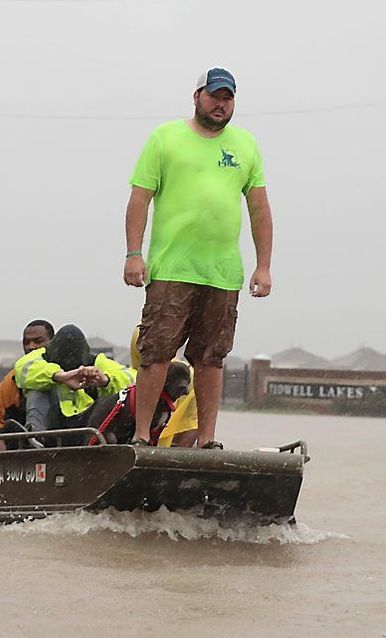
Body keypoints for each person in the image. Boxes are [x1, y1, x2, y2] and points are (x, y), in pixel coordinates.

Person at [122, 67, 273, 449]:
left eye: (228, 99)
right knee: (156, 352)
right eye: (215, 96)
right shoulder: (165, 138)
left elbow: (259, 209)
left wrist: (263, 265)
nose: (221, 105)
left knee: (211, 357)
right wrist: (134, 254)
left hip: (222, 273)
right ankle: (142, 436)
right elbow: (139, 199)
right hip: (172, 268)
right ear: (197, 96)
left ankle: (207, 440)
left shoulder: (246, 145)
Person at [14, 324, 136, 443]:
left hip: (86, 425)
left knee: (121, 397)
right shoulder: (40, 357)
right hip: (50, 426)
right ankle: (37, 439)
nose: (31, 346)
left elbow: (133, 378)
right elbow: (22, 368)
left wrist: (105, 380)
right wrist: (59, 376)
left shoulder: (95, 362)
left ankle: (98, 440)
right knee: (36, 391)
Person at [0, 320, 55, 451]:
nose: (31, 347)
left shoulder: (67, 375)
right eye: (26, 343)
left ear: (53, 342)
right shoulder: (10, 381)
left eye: (38, 341)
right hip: (23, 449)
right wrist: (8, 457)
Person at [130, 325, 198, 447]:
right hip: (167, 446)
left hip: (143, 444)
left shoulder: (132, 378)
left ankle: (141, 437)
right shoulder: (188, 374)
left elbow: (192, 424)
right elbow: (193, 424)